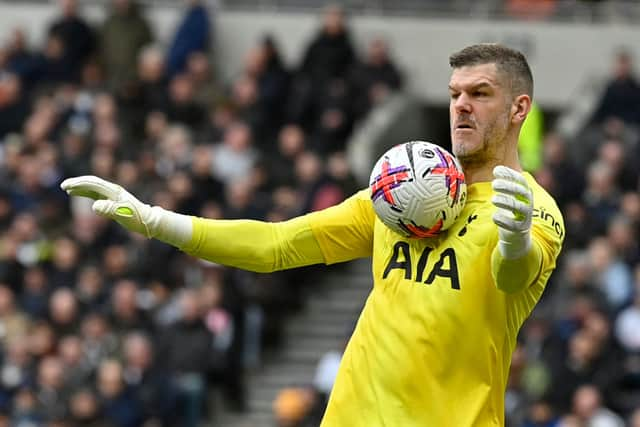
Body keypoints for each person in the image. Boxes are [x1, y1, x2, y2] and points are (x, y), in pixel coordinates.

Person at [60, 43, 564, 426]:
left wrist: (513, 239)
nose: (460, 106)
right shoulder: (407, 189)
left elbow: (513, 279)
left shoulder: (535, 211)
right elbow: (278, 245)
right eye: (454, 94)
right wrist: (157, 220)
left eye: (479, 94)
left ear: (519, 108)